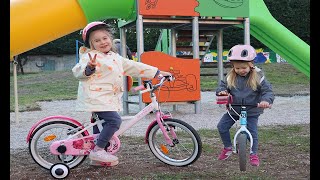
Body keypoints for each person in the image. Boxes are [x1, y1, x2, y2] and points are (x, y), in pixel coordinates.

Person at [72, 21, 171, 167]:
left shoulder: (114, 57)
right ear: (91, 44)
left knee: (100, 126)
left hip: (106, 98)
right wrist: (89, 68)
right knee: (114, 121)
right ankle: (98, 150)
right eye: (97, 40)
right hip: (97, 98)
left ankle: (97, 155)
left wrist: (158, 72)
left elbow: (134, 66)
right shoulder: (90, 56)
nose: (102, 42)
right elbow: (78, 71)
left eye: (105, 38)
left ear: (110, 39)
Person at [215, 44, 274, 167]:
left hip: (252, 110)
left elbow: (267, 91)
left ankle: (253, 154)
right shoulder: (230, 76)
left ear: (251, 65)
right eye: (237, 68)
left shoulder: (258, 77)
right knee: (222, 127)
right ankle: (227, 147)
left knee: (252, 132)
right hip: (234, 110)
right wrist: (222, 91)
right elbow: (222, 86)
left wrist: (266, 100)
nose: (240, 70)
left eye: (243, 67)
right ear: (233, 67)